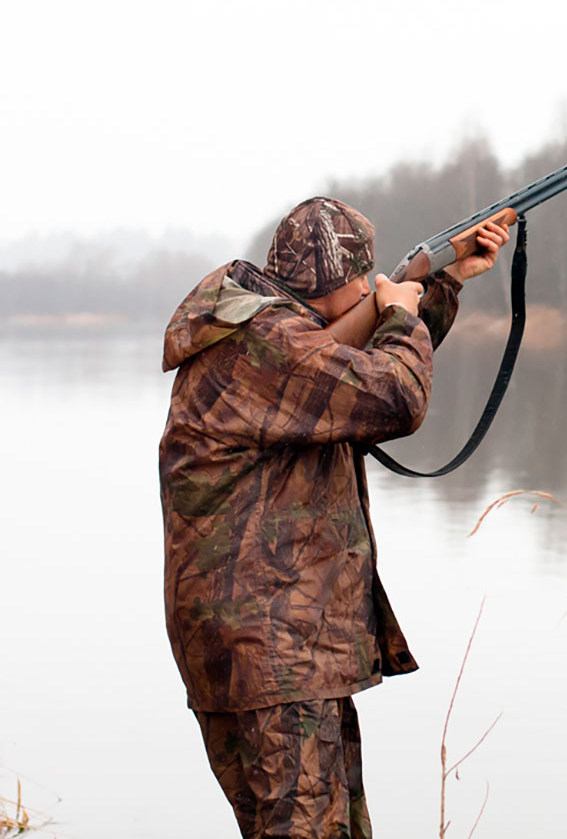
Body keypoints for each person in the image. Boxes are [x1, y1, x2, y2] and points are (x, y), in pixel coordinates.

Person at [158, 196, 509, 838]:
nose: (372, 285)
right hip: (274, 653)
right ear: (340, 283)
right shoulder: (266, 345)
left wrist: (446, 280)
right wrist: (398, 312)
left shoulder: (261, 330)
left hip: (271, 648)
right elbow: (393, 396)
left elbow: (350, 374)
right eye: (365, 278)